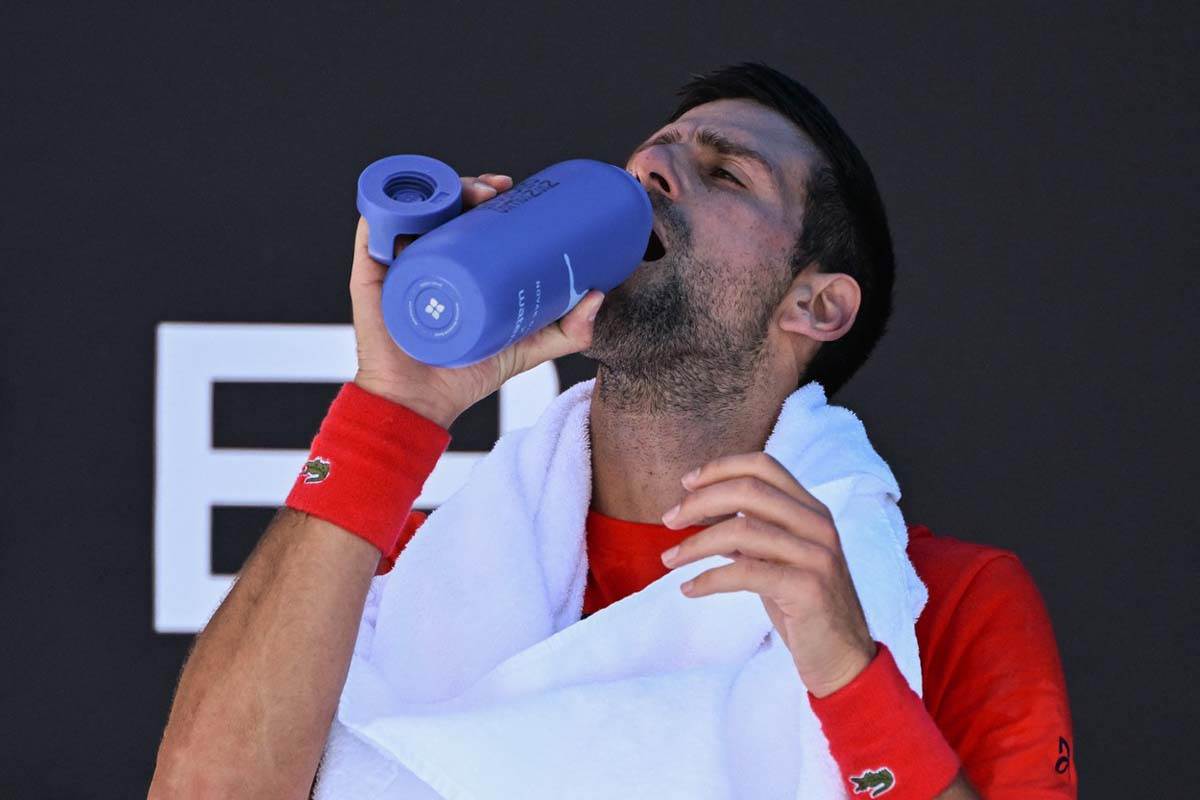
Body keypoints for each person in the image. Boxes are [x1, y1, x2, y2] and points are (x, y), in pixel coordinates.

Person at [149, 62, 1076, 799]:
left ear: (817, 304)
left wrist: (844, 670)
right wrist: (395, 406)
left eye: (723, 173)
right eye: (649, 159)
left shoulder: (937, 601)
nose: (649, 173)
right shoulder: (416, 569)